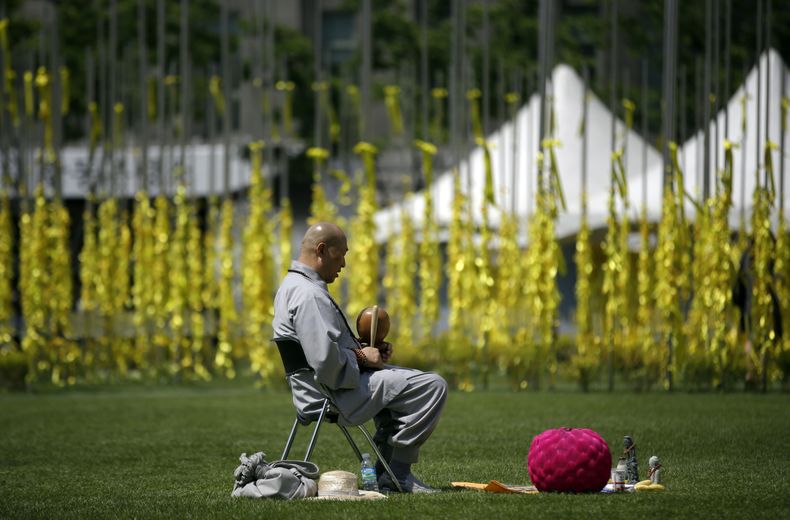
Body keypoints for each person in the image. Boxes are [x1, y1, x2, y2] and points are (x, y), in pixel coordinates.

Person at [273, 222, 448, 493]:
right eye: (340, 254)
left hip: (320, 390)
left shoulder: (293, 286)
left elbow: (322, 352)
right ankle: (397, 474)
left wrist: (370, 351)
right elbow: (327, 363)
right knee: (432, 386)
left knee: (408, 382)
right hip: (333, 394)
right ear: (321, 250)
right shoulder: (309, 294)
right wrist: (362, 357)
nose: (343, 263)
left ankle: (384, 472)